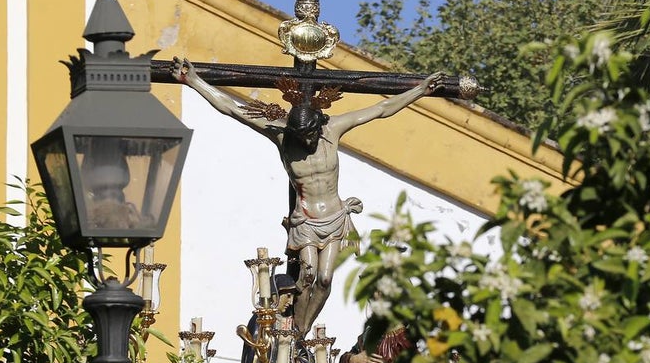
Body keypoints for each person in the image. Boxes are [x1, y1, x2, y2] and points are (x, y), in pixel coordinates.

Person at [172, 56, 445, 338]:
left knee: (325, 280)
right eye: (302, 138)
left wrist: (420, 90)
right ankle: (293, 332)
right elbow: (232, 108)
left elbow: (382, 108)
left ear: (318, 126)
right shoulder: (282, 138)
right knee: (307, 276)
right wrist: (193, 81)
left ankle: (301, 331)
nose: (308, 142)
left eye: (311, 136)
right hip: (305, 221)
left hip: (335, 217)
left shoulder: (334, 128)